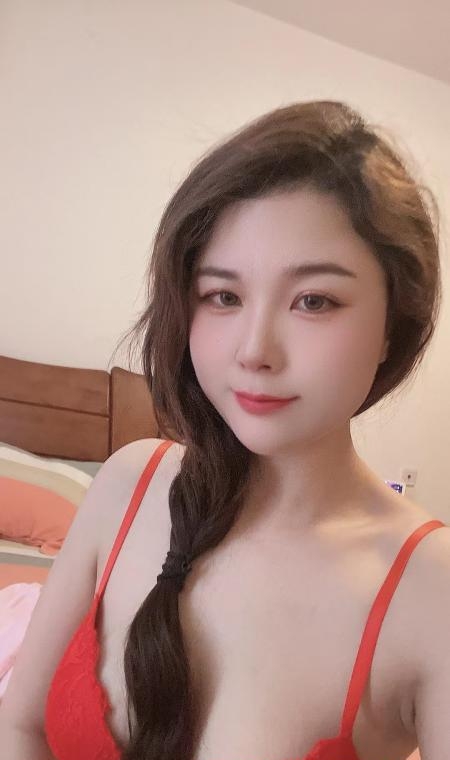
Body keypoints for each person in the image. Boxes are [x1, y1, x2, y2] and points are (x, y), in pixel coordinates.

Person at [0, 100, 449, 760]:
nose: (254, 350)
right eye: (224, 296)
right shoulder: (128, 484)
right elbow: (21, 726)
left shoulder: (429, 588)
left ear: (392, 326)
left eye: (314, 300)